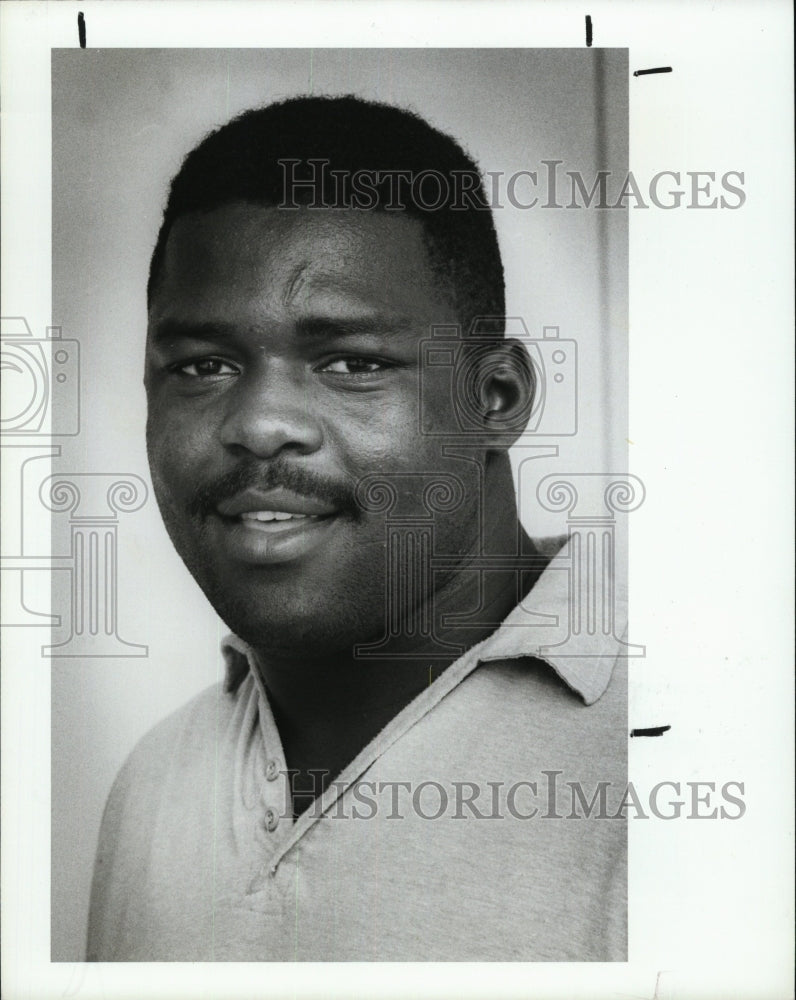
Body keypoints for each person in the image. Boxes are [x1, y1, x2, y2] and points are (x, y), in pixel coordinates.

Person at [87, 95, 627, 962]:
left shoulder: (674, 748)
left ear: (497, 399)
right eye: (204, 365)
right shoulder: (152, 784)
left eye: (352, 362)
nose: (261, 424)